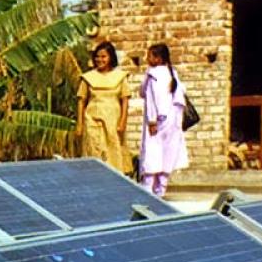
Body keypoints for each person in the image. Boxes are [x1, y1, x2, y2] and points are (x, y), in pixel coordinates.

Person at [139, 43, 189, 196]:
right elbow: (179, 100)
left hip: (157, 121)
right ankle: (161, 190)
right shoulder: (172, 73)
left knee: (152, 153)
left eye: (150, 55)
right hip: (172, 121)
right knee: (168, 153)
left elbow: (149, 97)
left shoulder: (153, 74)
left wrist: (152, 120)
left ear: (158, 58)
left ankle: (148, 189)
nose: (147, 58)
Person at [76, 41, 132, 174]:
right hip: (92, 120)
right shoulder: (88, 78)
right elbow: (81, 101)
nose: (100, 60)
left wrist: (123, 121)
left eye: (103, 56)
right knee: (93, 150)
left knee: (114, 152)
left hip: (113, 121)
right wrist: (80, 124)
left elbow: (125, 100)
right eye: (97, 56)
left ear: (111, 57)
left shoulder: (120, 77)